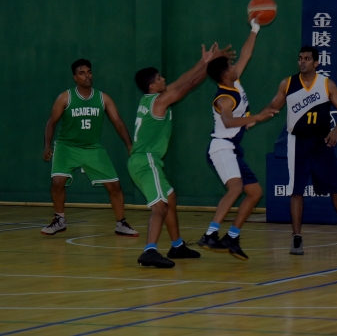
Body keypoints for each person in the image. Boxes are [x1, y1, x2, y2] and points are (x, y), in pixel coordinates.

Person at [130, 43, 228, 268]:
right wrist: (212, 64)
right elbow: (189, 84)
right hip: (146, 161)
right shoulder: (160, 101)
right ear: (152, 85)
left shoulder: (151, 99)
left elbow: (184, 80)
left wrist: (204, 62)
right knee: (160, 206)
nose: (164, 79)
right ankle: (149, 251)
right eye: (159, 77)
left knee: (170, 198)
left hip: (145, 161)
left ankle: (177, 246)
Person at [266, 46, 337, 255]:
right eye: (300, 58)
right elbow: (273, 107)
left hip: (321, 143)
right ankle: (297, 237)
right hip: (298, 142)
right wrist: (254, 118)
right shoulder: (288, 83)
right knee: (296, 191)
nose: (302, 62)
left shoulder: (326, 84)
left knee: (336, 188)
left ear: (316, 63)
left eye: (307, 59)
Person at [198, 20, 277, 260]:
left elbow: (246, 53)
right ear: (225, 74)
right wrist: (257, 116)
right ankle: (209, 234)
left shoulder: (234, 81)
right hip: (221, 148)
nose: (235, 66)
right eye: (231, 65)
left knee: (254, 193)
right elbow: (228, 121)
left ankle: (231, 237)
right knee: (236, 188)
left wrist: (255, 28)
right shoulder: (224, 98)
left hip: (232, 149)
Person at [42, 59, 138, 237]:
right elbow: (51, 122)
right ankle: (59, 220)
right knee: (57, 182)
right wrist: (47, 145)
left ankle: (121, 224)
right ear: (74, 77)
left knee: (115, 186)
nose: (87, 76)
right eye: (82, 73)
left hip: (92, 148)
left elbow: (118, 122)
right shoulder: (65, 97)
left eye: (89, 72)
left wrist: (129, 144)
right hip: (66, 146)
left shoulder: (103, 98)